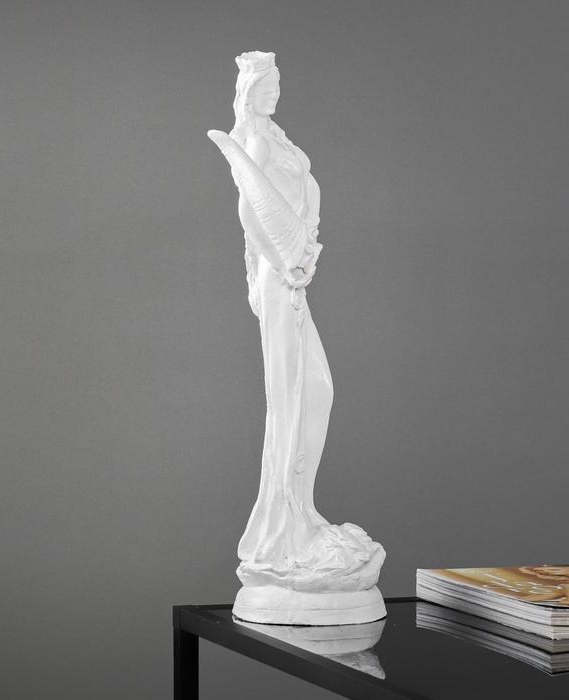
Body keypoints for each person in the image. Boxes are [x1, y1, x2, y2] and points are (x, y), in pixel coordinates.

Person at [208, 52, 384, 595]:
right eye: (268, 84)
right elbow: (250, 209)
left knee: (314, 389)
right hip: (280, 275)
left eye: (279, 83)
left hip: (293, 269)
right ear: (250, 90)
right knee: (293, 395)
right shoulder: (256, 141)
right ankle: (283, 528)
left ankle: (298, 514)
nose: (276, 91)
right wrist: (282, 261)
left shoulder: (274, 135)